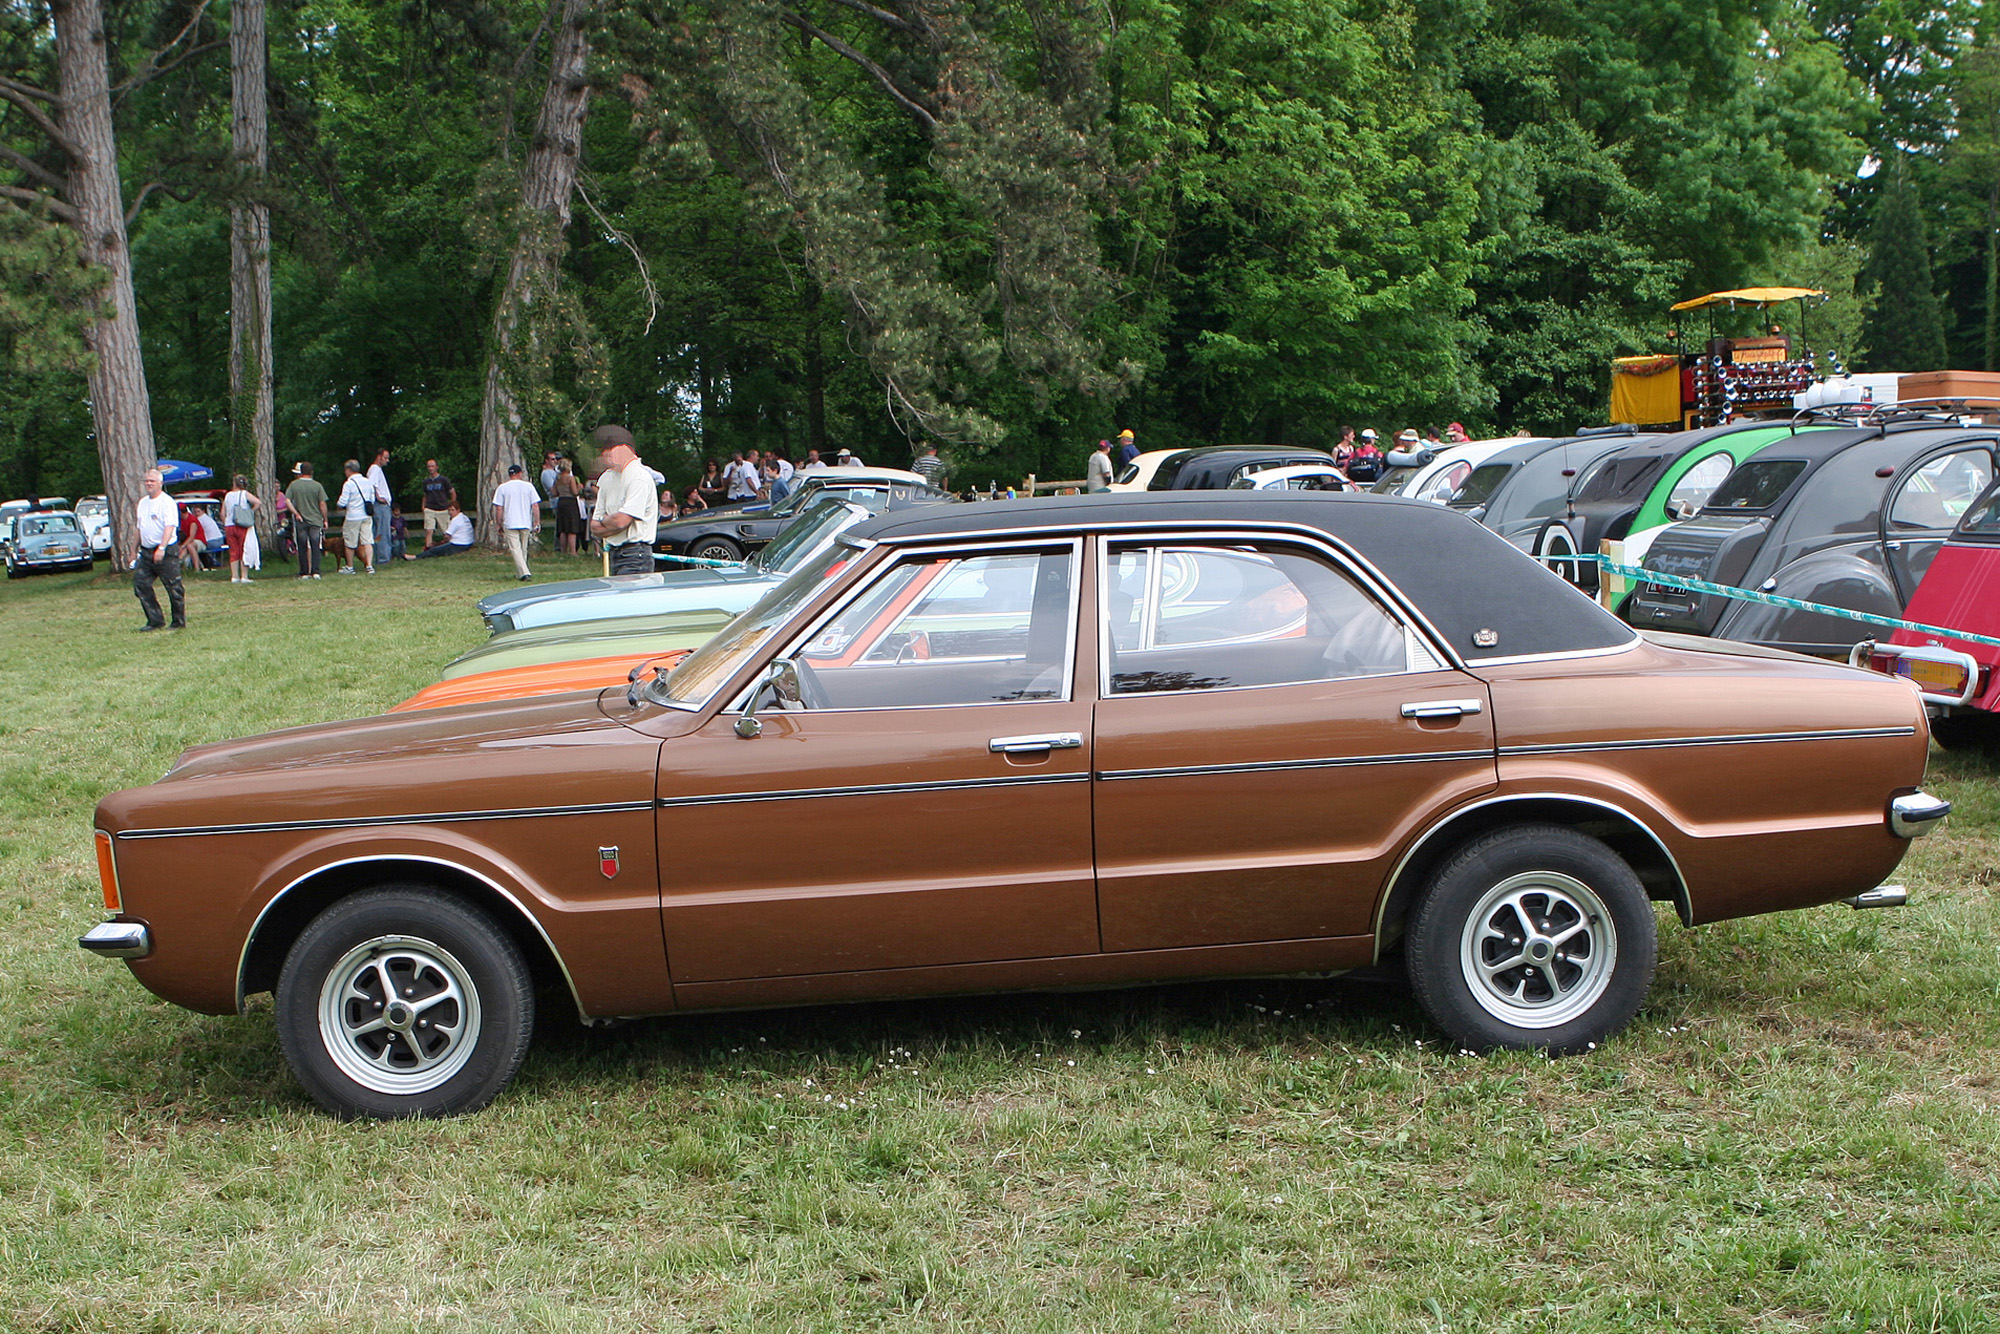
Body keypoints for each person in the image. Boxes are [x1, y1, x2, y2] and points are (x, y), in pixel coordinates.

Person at [588, 424, 661, 575]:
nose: (607, 458)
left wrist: (606, 521)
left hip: (636, 554)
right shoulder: (606, 478)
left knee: (632, 598)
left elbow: (622, 521)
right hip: (614, 552)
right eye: (605, 454)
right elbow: (594, 527)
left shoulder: (639, 477)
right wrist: (609, 521)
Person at [132, 467, 185, 631]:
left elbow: (169, 528)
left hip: (166, 551)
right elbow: (139, 528)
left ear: (160, 483)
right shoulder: (142, 503)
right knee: (140, 584)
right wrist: (133, 550)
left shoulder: (167, 502)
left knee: (174, 587)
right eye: (147, 481)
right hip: (146, 552)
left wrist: (161, 548)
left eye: (152, 481)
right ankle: (155, 620)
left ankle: (178, 622)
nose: (149, 483)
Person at [492, 462, 542, 581]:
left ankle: (523, 573)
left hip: (510, 521)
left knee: (515, 549)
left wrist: (499, 523)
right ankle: (522, 572)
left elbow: (499, 508)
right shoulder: (528, 486)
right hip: (525, 521)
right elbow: (535, 505)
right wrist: (537, 521)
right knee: (523, 548)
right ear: (520, 473)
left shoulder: (503, 488)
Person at [285, 462, 327, 578]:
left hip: (301, 520)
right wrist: (325, 519)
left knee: (302, 546)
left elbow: (287, 500)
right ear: (311, 472)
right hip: (315, 520)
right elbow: (322, 503)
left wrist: (296, 513)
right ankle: (316, 571)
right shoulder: (317, 486)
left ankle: (304, 572)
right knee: (315, 546)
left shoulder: (294, 485)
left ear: (301, 472)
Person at [336, 459, 375, 573]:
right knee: (367, 541)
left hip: (353, 516)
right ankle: (369, 566)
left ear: (349, 470)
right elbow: (372, 499)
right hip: (366, 515)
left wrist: (339, 505)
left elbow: (342, 502)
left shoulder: (349, 484)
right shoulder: (367, 482)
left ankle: (350, 567)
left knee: (350, 542)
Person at [221, 473, 260, 583]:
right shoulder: (244, 494)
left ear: (234, 483)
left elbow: (222, 513)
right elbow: (258, 502)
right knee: (244, 549)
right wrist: (250, 512)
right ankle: (244, 576)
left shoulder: (227, 495)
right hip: (242, 524)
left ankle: (234, 576)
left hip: (229, 525)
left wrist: (226, 522)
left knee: (233, 550)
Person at [404, 501, 474, 557]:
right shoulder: (464, 517)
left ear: (458, 510)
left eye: (452, 510)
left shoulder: (455, 520)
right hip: (467, 543)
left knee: (434, 550)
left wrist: (439, 543)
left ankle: (415, 557)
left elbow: (447, 536)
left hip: (458, 544)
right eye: (449, 510)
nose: (450, 512)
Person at [419, 459, 456, 549]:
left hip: (442, 508)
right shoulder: (426, 482)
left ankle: (449, 547)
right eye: (429, 466)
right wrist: (423, 507)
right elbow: (425, 495)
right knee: (429, 530)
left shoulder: (443, 480)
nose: (431, 468)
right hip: (430, 508)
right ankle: (428, 548)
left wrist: (451, 505)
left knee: (446, 531)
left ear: (436, 467)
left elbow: (453, 492)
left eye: (432, 466)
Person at [366, 448, 393, 567]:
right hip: (381, 506)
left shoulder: (377, 470)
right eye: (385, 457)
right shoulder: (375, 469)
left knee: (381, 531)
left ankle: (382, 556)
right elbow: (371, 485)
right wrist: (378, 498)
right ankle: (383, 558)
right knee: (382, 531)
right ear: (379, 457)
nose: (387, 460)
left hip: (382, 505)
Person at [552, 458, 584, 554]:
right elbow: (574, 492)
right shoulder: (570, 478)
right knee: (571, 528)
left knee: (562, 529)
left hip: (561, 502)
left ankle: (563, 551)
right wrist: (579, 488)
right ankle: (573, 552)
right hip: (570, 503)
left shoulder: (558, 479)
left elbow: (554, 492)